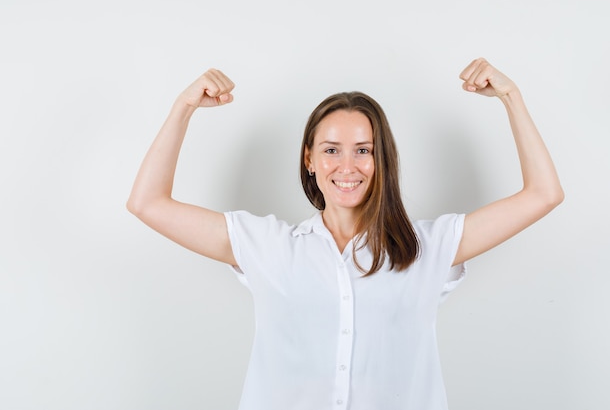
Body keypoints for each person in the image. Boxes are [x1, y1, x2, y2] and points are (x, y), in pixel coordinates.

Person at [127, 58, 564, 410]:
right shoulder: (266, 246)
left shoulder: (427, 248)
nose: (347, 166)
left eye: (363, 151)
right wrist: (182, 107)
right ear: (309, 160)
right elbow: (147, 202)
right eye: (331, 150)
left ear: (381, 160)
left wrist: (512, 97)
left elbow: (544, 193)